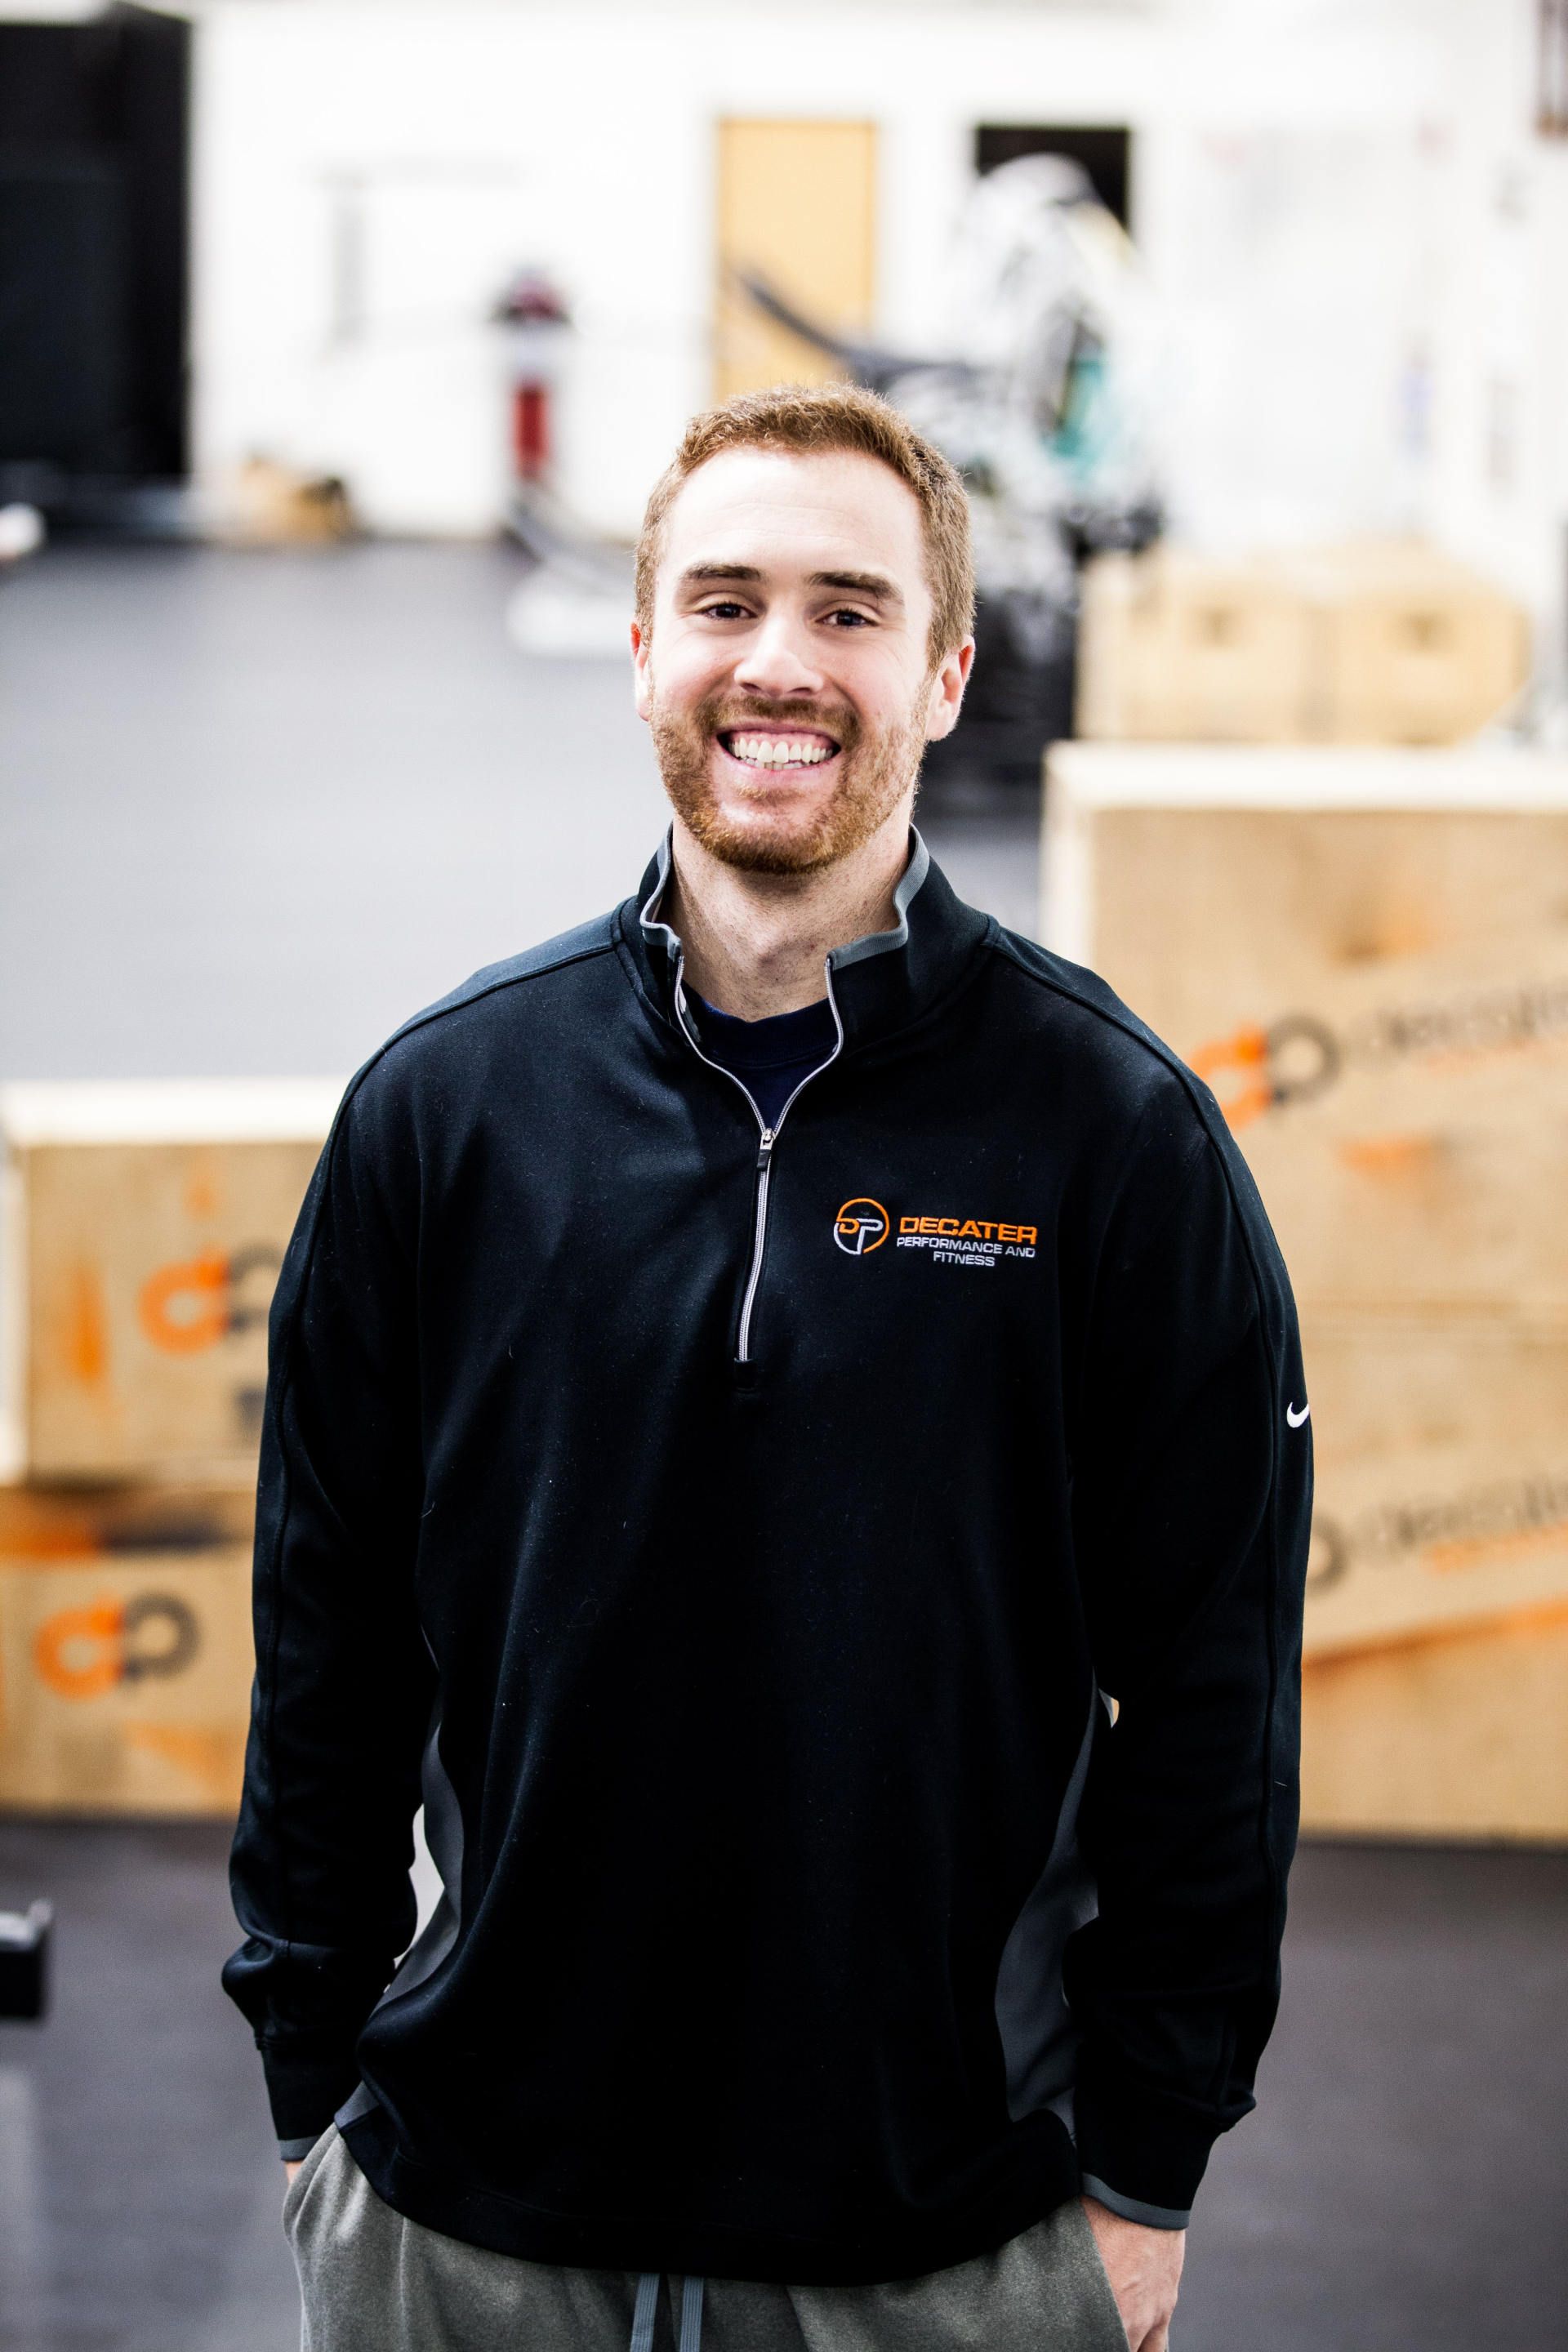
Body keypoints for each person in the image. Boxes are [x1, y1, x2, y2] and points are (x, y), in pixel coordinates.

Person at [224, 384, 1312, 2352]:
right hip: (465, 2225)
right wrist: (313, 2079)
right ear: (646, 648)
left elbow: (1213, 1692)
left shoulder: (1114, 1138)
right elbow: (327, 1636)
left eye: (849, 609)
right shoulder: (446, 1111)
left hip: (944, 2239)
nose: (779, 665)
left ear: (948, 672)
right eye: (725, 603)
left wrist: (1149, 2166)